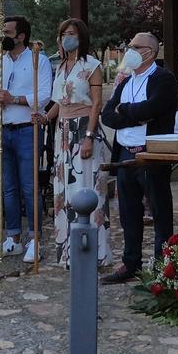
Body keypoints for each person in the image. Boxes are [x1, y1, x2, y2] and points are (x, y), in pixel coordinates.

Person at [99, 32, 178, 284]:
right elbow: (107, 115)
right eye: (129, 46)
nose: (129, 50)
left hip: (150, 154)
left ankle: (162, 265)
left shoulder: (163, 79)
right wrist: (133, 114)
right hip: (125, 155)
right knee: (128, 213)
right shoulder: (125, 82)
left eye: (135, 47)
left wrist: (126, 111)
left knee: (159, 210)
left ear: (149, 52)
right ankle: (130, 262)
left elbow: (153, 108)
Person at [0, 16, 53, 263]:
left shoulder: (38, 61)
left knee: (29, 186)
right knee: (8, 187)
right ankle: (12, 238)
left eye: (7, 32)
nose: (3, 37)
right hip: (3, 128)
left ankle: (35, 239)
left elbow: (44, 94)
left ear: (21, 36)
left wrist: (15, 99)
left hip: (27, 129)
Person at [38, 19, 109, 267]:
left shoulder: (92, 65)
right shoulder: (61, 67)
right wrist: (46, 116)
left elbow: (96, 103)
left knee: (84, 187)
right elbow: (61, 101)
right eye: (63, 33)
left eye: (72, 33)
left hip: (82, 129)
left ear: (81, 37)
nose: (67, 37)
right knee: (65, 190)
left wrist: (88, 136)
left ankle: (93, 253)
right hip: (63, 132)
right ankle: (69, 251)